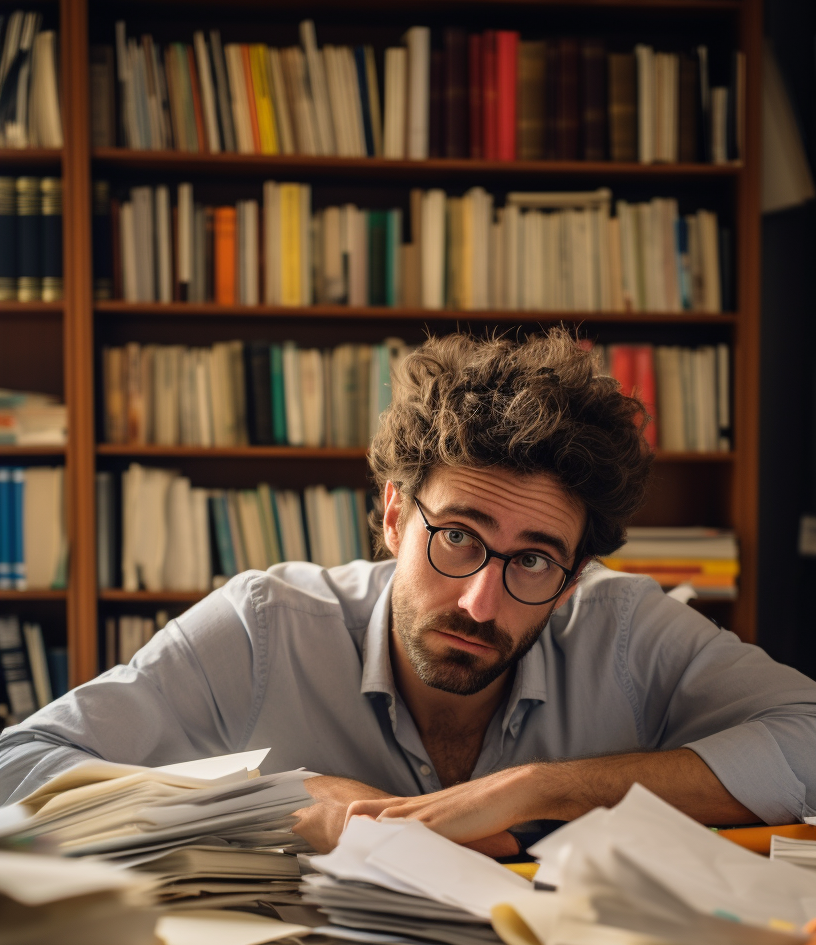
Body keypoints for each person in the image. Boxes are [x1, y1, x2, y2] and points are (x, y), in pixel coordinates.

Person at [2, 329, 816, 856]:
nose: (480, 605)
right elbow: (20, 765)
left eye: (533, 562)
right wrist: (294, 800)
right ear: (394, 516)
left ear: (572, 581)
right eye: (458, 537)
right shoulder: (264, 629)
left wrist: (544, 787)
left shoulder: (627, 629)